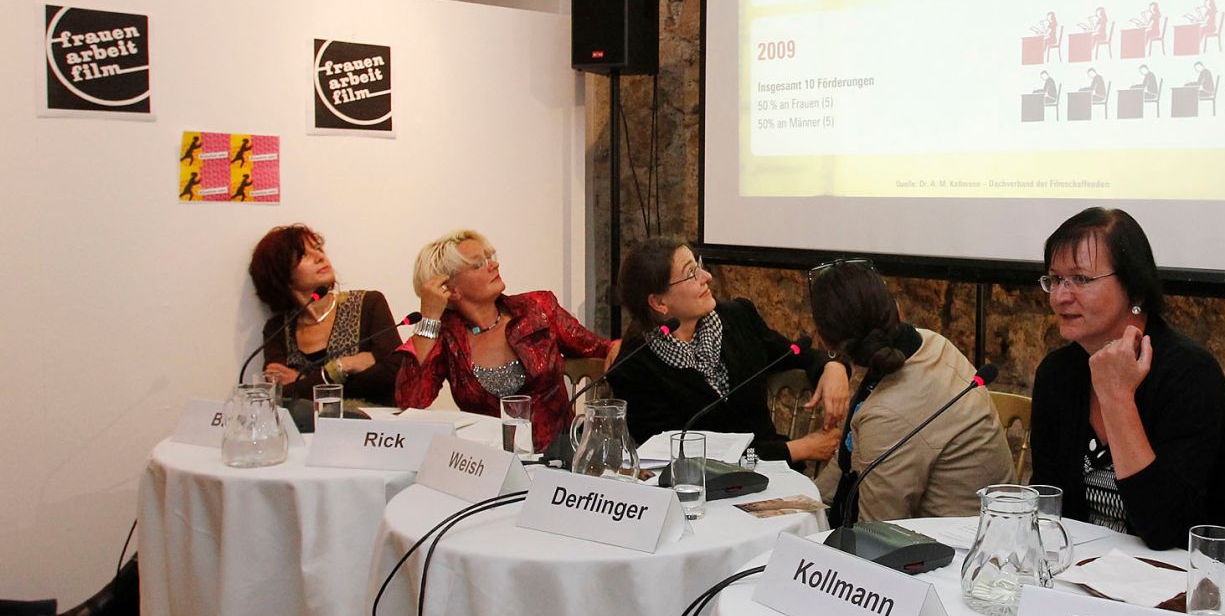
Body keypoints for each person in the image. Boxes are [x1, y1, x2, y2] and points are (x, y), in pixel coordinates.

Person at [1028, 209, 1225, 579]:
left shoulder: (1189, 374)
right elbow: (1050, 511)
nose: (1060, 296)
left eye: (1080, 279)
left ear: (1134, 289)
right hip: (1088, 579)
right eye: (1055, 280)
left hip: (1196, 586)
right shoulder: (1059, 374)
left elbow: (1164, 527)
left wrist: (1117, 399)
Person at [608, 237, 847, 466]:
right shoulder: (633, 369)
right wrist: (797, 449)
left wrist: (833, 366)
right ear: (660, 303)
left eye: (699, 266)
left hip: (774, 476)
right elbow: (686, 457)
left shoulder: (737, 317)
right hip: (698, 490)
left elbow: (797, 353)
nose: (707, 277)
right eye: (691, 273)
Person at [808, 260, 1012, 524]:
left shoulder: (886, 414)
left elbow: (877, 533)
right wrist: (804, 502)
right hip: (989, 527)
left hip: (957, 549)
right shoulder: (930, 342)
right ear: (897, 308)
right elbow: (851, 458)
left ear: (826, 342)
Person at [395, 229, 610, 451]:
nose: (493, 265)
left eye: (490, 258)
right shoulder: (447, 337)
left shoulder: (538, 309)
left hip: (557, 458)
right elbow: (411, 403)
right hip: (485, 463)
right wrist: (429, 319)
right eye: (478, 264)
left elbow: (599, 348)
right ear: (450, 290)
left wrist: (617, 346)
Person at [249, 224, 400, 404]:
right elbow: (284, 394)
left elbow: (393, 374)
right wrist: (343, 366)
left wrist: (305, 382)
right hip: (306, 430)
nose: (320, 257)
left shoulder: (369, 303)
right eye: (304, 254)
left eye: (318, 249)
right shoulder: (278, 329)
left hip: (371, 428)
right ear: (282, 275)